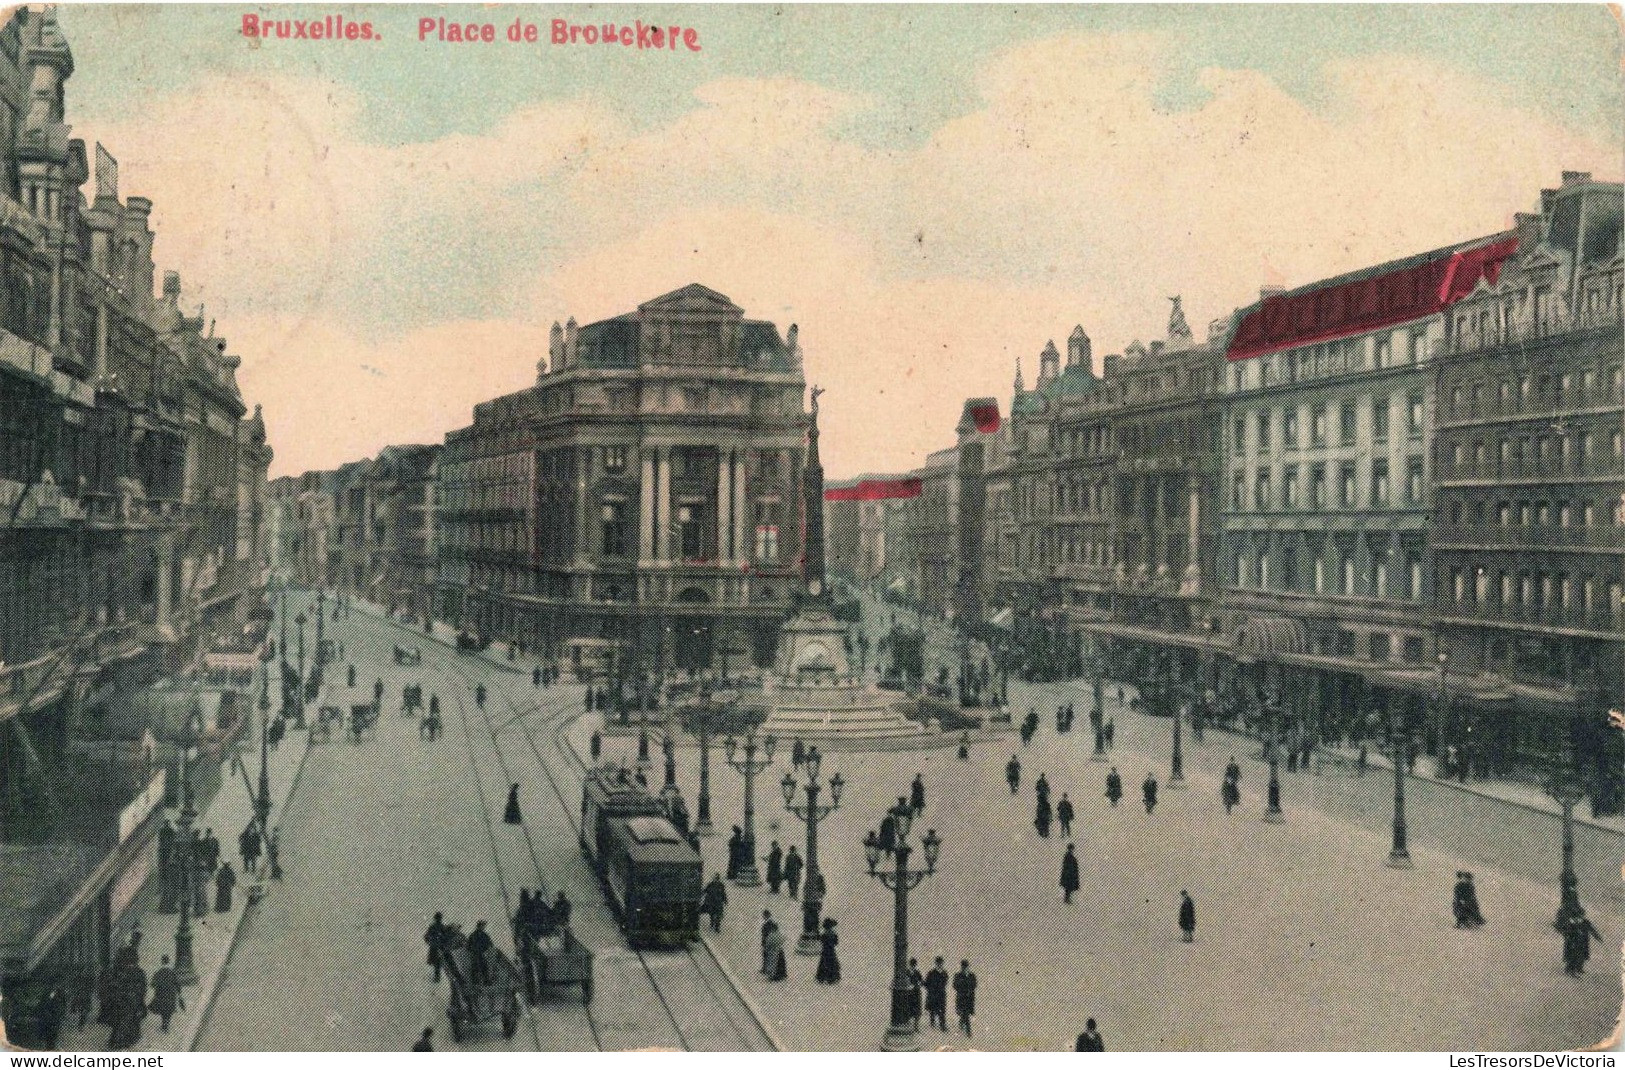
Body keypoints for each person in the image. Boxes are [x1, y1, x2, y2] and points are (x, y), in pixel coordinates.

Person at [1559, 907, 1603, 976]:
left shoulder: (1585, 922)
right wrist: (1569, 935)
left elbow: (1592, 930)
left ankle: (1579, 968)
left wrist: (1598, 937)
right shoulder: (1570, 923)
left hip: (1583, 943)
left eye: (1582, 915)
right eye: (1580, 915)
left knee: (1582, 956)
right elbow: (1565, 931)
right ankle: (1571, 970)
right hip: (1572, 943)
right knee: (1572, 956)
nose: (1582, 916)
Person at [149, 955, 182, 1032]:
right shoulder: (172, 972)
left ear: (162, 962)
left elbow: (152, 984)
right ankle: (166, 1024)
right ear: (168, 961)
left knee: (163, 1010)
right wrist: (179, 993)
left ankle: (164, 1024)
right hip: (171, 995)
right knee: (169, 1011)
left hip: (161, 995)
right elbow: (177, 984)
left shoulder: (158, 972)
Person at [924, 956, 950, 1030]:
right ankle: (932, 1022)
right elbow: (926, 983)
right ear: (936, 964)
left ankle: (942, 1025)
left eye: (941, 963)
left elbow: (945, 982)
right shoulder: (931, 973)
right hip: (933, 994)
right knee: (932, 1009)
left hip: (941, 994)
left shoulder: (945, 973)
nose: (940, 964)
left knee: (942, 1010)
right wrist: (930, 989)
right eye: (938, 963)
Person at [953, 960, 977, 1036]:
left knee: (965, 1014)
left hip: (970, 998)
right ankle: (968, 1031)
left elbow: (974, 985)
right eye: (963, 967)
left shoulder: (972, 975)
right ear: (961, 967)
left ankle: (961, 1025)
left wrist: (969, 989)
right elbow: (955, 985)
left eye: (966, 966)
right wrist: (963, 985)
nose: (965, 968)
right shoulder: (958, 975)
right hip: (961, 998)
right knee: (965, 1013)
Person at [467, 920, 494, 985]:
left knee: (482, 967)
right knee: (479, 967)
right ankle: (481, 982)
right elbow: (468, 946)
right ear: (479, 926)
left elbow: (490, 944)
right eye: (482, 926)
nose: (483, 927)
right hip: (477, 954)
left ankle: (482, 982)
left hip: (479, 954)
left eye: (483, 926)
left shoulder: (478, 935)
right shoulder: (478, 935)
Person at [815, 918, 841, 984]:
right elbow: (836, 942)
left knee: (824, 963)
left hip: (825, 951)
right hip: (831, 951)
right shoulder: (834, 934)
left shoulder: (824, 934)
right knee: (832, 963)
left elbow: (822, 941)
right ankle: (832, 977)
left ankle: (823, 977)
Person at [907, 957, 924, 1030]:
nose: (913, 966)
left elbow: (922, 981)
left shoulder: (917, 972)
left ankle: (916, 1026)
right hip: (908, 993)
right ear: (910, 964)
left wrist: (919, 984)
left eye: (914, 965)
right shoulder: (906, 972)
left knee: (917, 1011)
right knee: (908, 1009)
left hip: (916, 993)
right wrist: (909, 985)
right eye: (911, 965)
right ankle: (908, 1025)